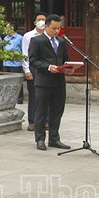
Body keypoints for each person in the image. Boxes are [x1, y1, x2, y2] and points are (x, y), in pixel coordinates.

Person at [29, 14, 73, 151]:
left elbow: (65, 59)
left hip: (59, 82)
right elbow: (33, 60)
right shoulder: (37, 41)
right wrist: (48, 67)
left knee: (57, 112)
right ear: (46, 26)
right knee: (41, 112)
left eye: (59, 28)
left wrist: (68, 68)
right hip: (43, 82)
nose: (56, 31)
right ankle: (40, 139)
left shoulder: (61, 41)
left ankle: (54, 138)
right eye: (54, 28)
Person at [22, 12, 46, 131]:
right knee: (33, 95)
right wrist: (26, 70)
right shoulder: (28, 36)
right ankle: (32, 121)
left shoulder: (49, 36)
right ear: (35, 22)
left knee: (46, 95)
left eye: (43, 19)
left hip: (46, 68)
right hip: (33, 68)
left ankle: (45, 121)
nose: (41, 21)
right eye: (39, 19)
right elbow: (25, 53)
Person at [3, 23, 24, 104]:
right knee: (6, 81)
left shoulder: (19, 38)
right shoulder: (6, 38)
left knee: (17, 81)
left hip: (16, 63)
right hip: (6, 62)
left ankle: (19, 97)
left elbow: (23, 49)